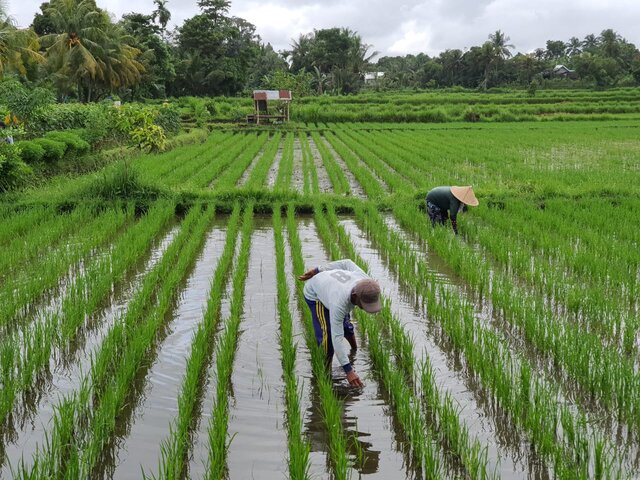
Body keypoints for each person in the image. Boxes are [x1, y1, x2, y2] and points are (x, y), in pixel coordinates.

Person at [298, 259, 382, 388]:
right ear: (354, 296)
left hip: (333, 288)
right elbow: (337, 337)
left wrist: (317, 269)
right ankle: (325, 373)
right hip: (316, 295)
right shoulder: (339, 303)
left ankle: (354, 350)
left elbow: (347, 262)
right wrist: (349, 371)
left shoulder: (366, 282)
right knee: (328, 333)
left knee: (346, 326)